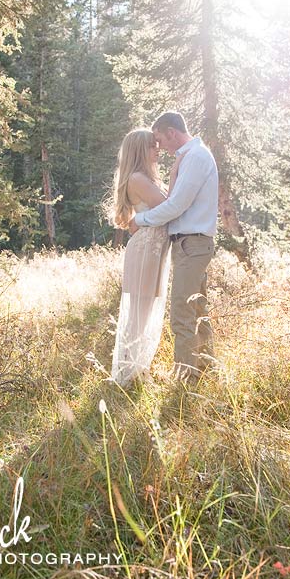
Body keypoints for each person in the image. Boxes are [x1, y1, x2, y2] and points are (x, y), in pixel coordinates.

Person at [128, 111, 218, 382]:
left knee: (182, 311)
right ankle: (206, 371)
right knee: (197, 309)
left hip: (193, 243)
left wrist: (140, 220)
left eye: (160, 139)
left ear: (171, 133)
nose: (160, 146)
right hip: (188, 244)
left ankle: (185, 378)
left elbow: (177, 205)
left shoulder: (196, 157)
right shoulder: (189, 158)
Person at [109, 128, 184, 387]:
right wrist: (175, 174)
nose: (158, 149)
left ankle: (137, 371)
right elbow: (168, 206)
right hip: (145, 251)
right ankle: (127, 375)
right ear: (141, 150)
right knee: (139, 316)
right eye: (153, 146)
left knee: (144, 313)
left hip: (152, 251)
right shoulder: (138, 178)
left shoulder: (143, 177)